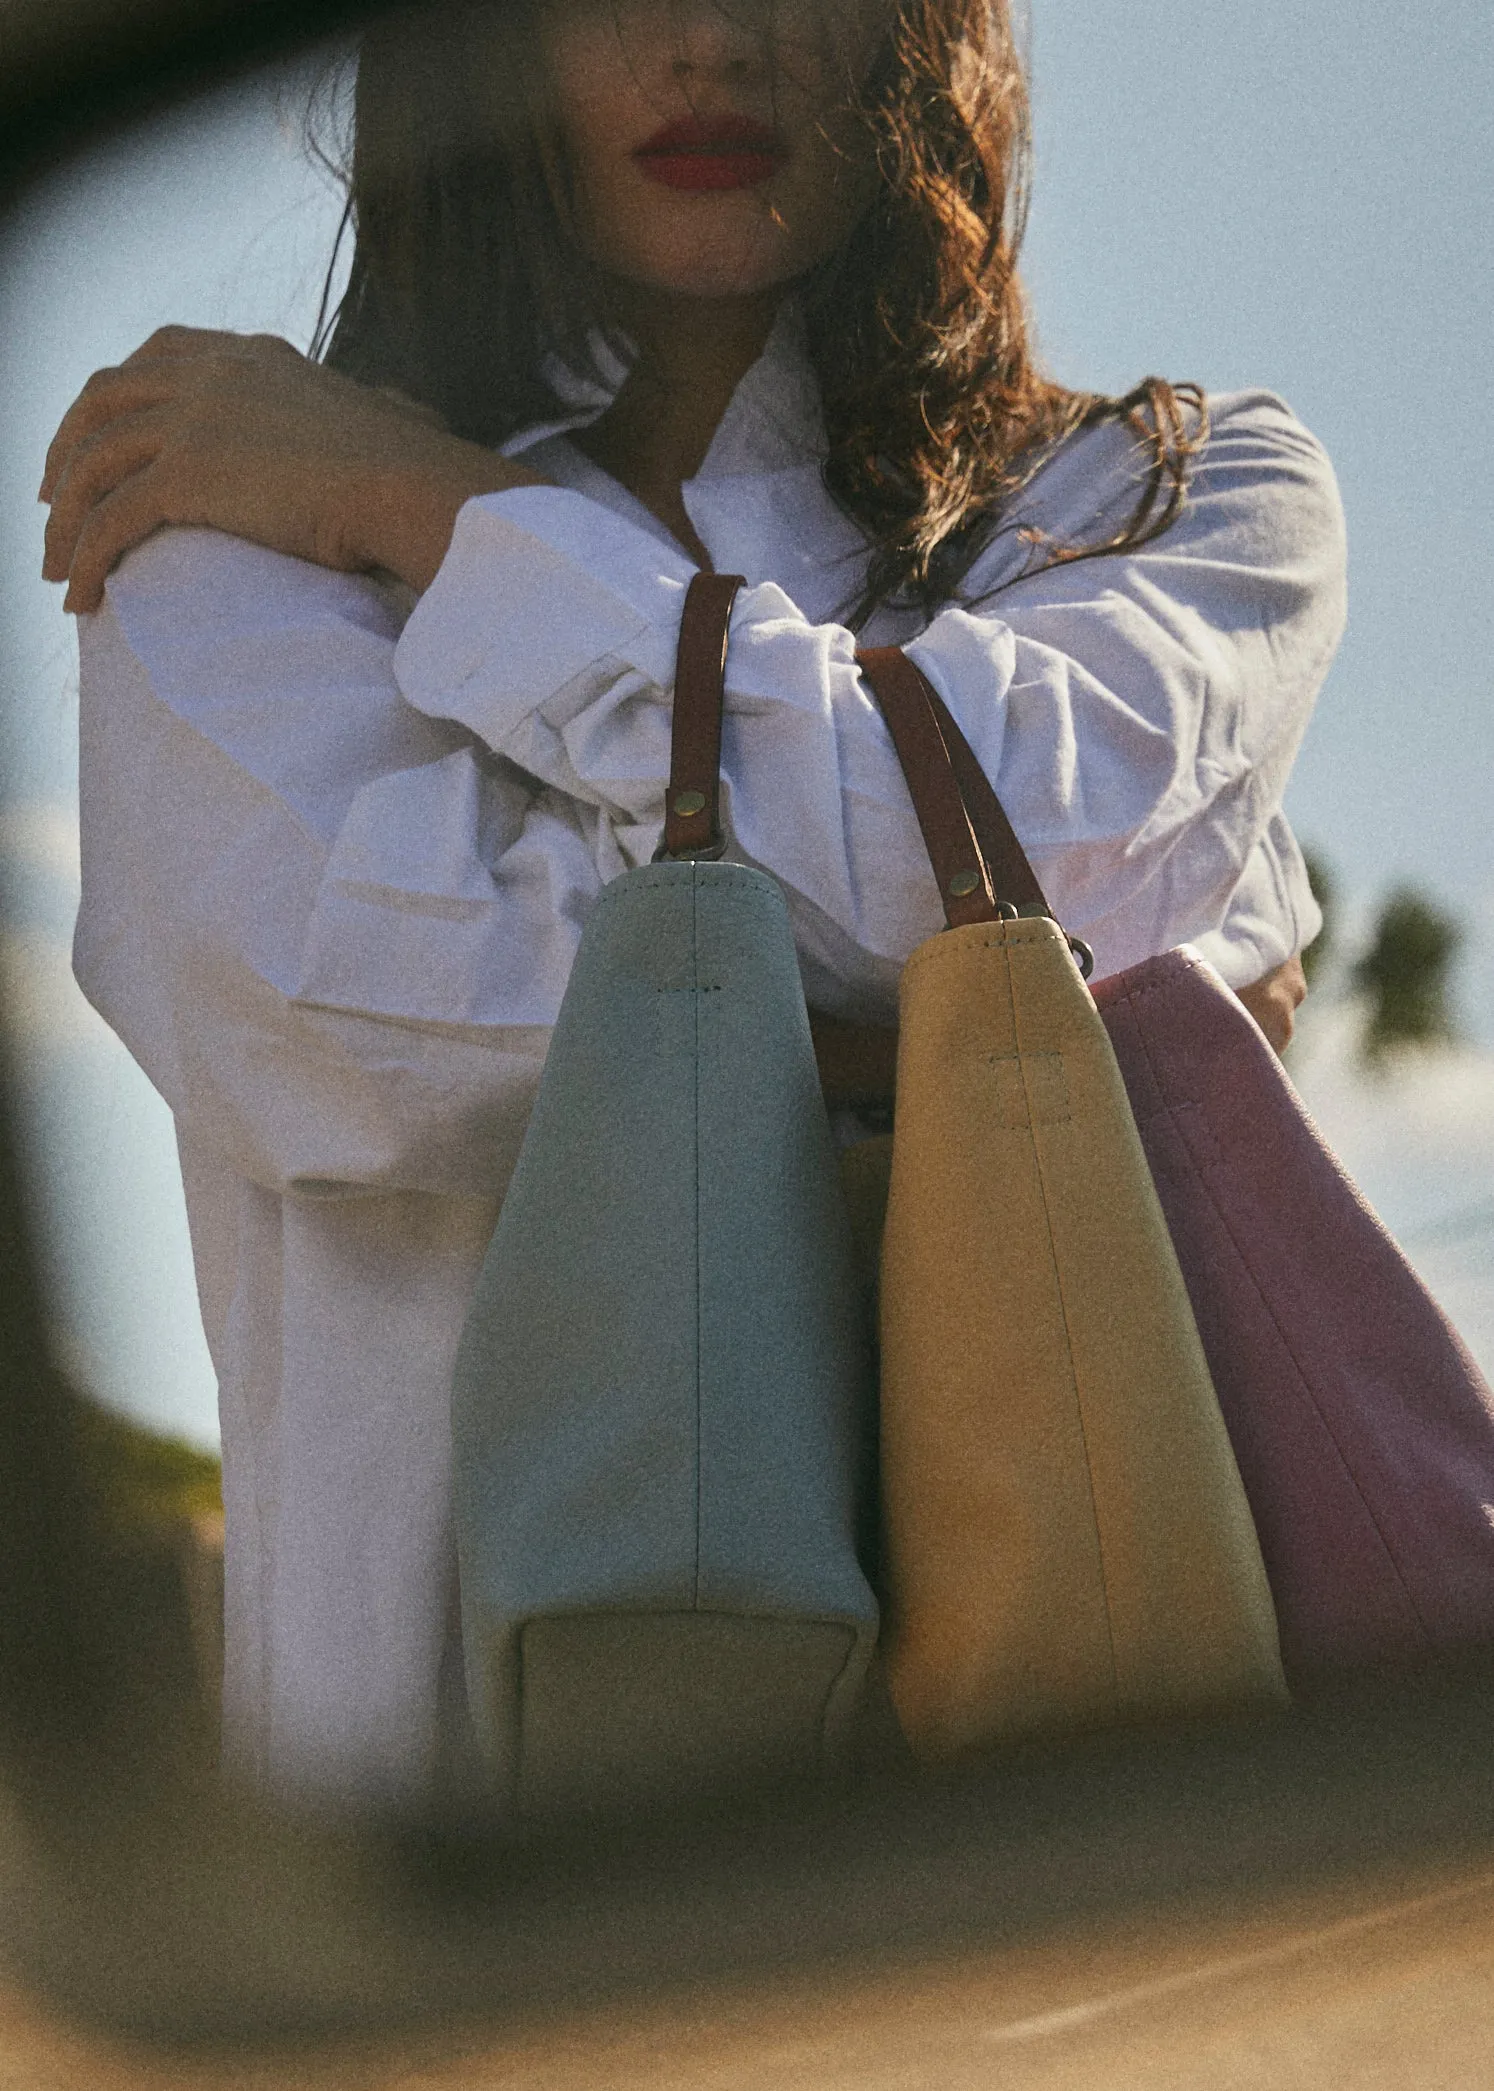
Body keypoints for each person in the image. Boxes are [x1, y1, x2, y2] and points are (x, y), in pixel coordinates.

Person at [41, 0, 1345, 1809]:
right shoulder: (221, 507)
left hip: (1093, 1853)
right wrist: (1029, 1020)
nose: (712, 37)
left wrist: (445, 512)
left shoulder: (1171, 496)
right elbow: (348, 1033)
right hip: (454, 1874)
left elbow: (934, 865)